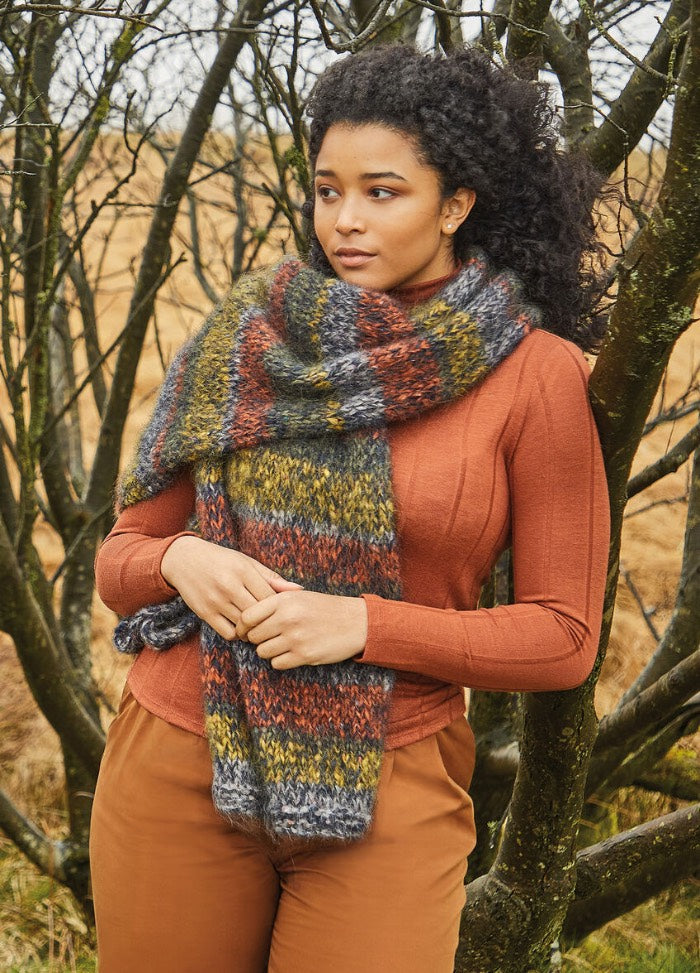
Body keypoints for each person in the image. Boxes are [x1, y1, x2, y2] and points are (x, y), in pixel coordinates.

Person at [89, 44, 610, 973]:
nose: (345, 221)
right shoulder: (246, 339)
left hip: (394, 781)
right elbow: (123, 555)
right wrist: (178, 562)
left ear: (456, 202)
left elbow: (564, 636)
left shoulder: (536, 376)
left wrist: (363, 624)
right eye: (329, 191)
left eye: (382, 192)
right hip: (179, 752)